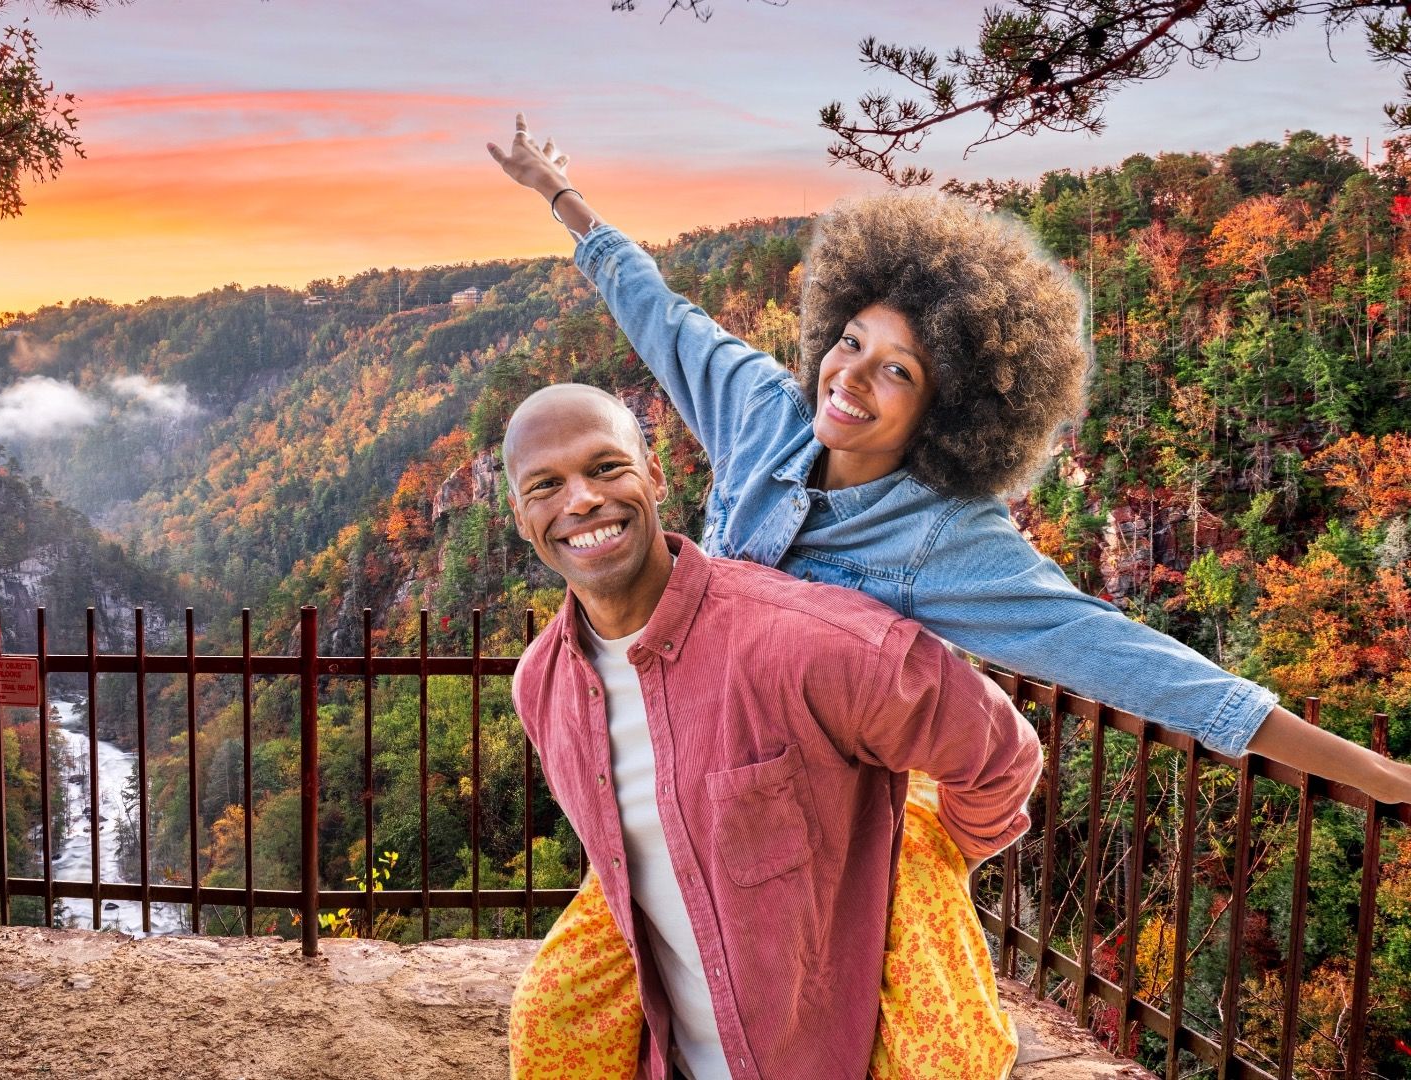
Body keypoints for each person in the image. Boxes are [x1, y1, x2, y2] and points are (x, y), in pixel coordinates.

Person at [487, 114, 1411, 1079]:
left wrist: (1380, 780)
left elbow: (1146, 669)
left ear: (950, 404)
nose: (850, 378)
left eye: (900, 370)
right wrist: (557, 194)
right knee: (569, 1018)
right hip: (710, 792)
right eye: (849, 342)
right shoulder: (764, 416)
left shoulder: (949, 540)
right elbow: (659, 312)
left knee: (898, 1042)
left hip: (836, 832)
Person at [504, 383, 1043, 1080]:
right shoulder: (543, 687)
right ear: (521, 516)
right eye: (546, 485)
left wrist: (918, 868)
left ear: (655, 472)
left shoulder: (805, 643)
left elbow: (998, 755)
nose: (580, 501)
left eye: (606, 467)